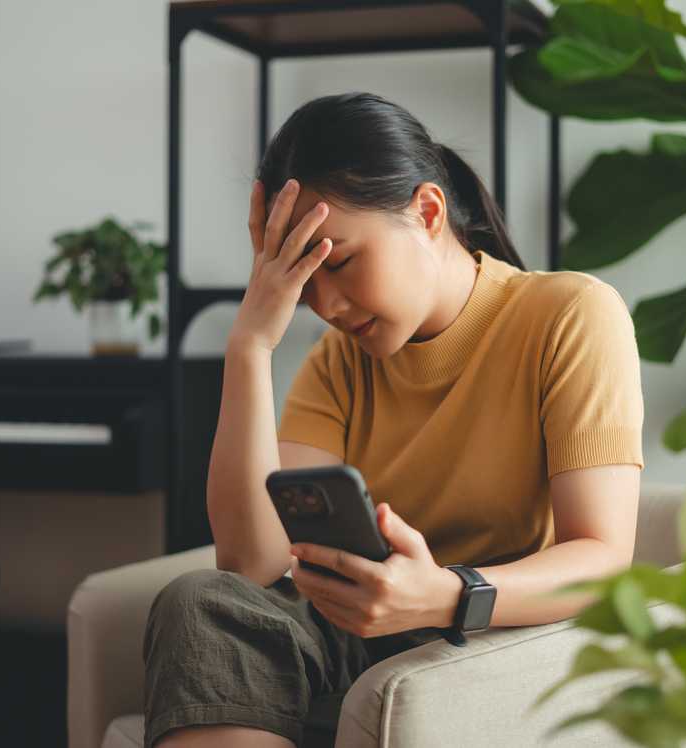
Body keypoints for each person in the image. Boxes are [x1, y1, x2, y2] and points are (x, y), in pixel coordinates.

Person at [143, 91, 644, 748]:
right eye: (304, 279)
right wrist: (251, 345)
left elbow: (603, 562)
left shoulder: (570, 314)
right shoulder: (338, 361)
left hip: (495, 631)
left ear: (428, 212)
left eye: (339, 262)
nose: (326, 305)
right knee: (201, 599)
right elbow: (253, 561)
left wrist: (444, 594)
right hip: (363, 626)